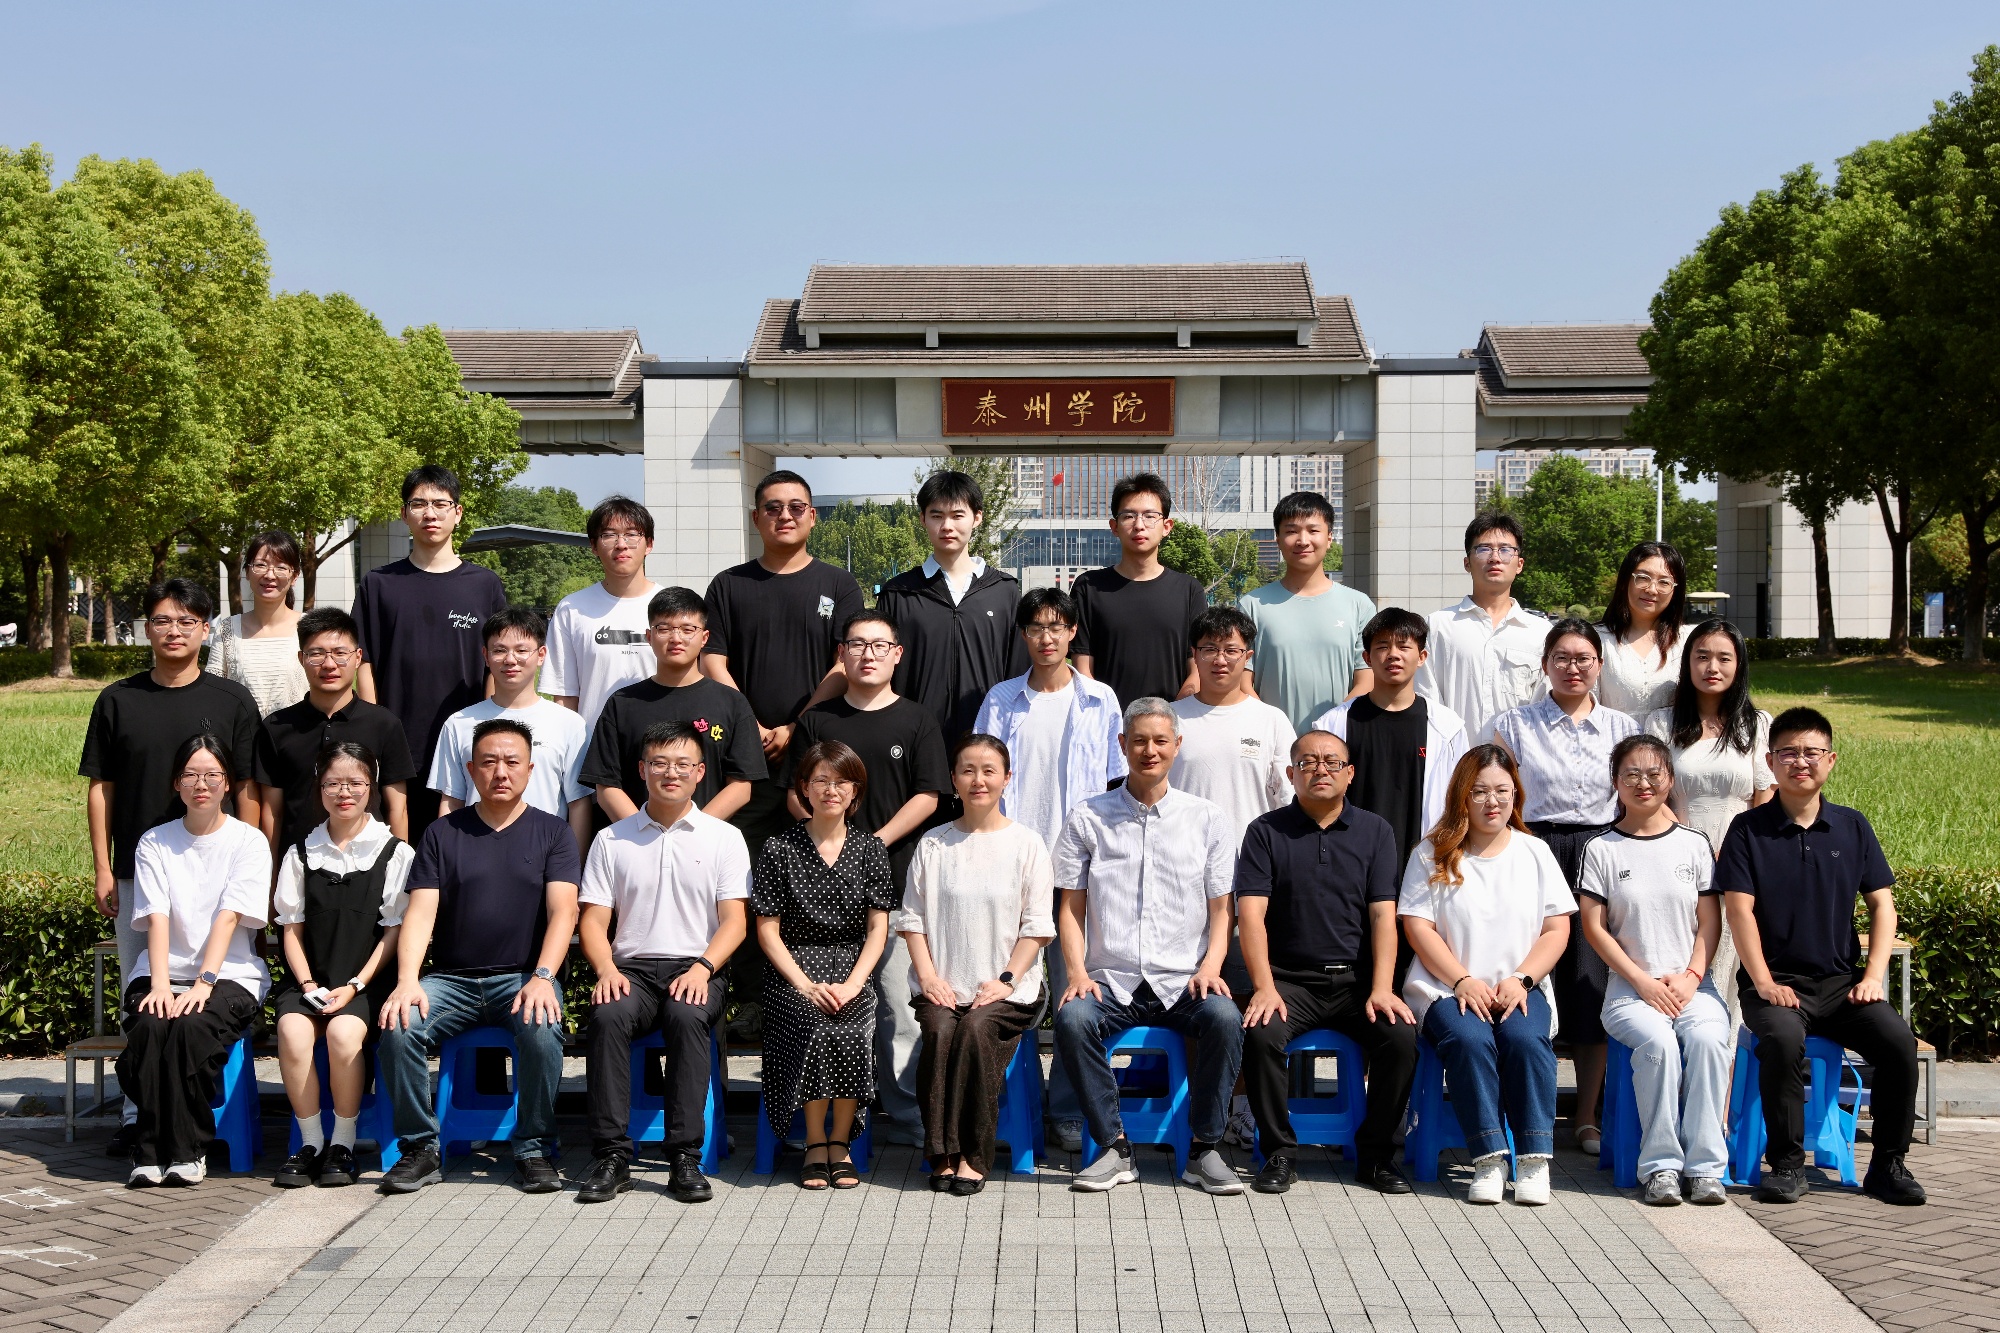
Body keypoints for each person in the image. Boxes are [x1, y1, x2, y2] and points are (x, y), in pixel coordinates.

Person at [81, 578, 262, 1159]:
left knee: (204, 995)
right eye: (162, 620)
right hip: (142, 870)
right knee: (144, 995)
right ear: (147, 629)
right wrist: (104, 869)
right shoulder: (118, 700)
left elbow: (249, 787)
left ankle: (182, 1115)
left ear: (206, 629)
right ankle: (138, 1116)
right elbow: (101, 787)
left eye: (187, 621)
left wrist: (253, 856)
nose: (174, 631)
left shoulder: (232, 700)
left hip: (217, 869)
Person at [1719, 707, 1926, 1206]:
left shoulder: (1852, 827)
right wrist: (1763, 982)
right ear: (1771, 761)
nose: (1801, 762)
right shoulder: (1747, 830)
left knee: (1899, 1043)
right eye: (1788, 752)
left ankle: (1888, 1165)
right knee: (1783, 1040)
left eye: (1812, 752)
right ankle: (1787, 1165)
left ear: (1830, 760)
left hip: (1840, 986)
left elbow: (1883, 906)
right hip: (1774, 984)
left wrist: (1872, 976)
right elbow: (1739, 911)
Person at [375, 720, 582, 1195]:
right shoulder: (441, 833)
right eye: (489, 762)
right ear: (470, 769)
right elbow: (420, 914)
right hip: (452, 980)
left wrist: (543, 976)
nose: (500, 772)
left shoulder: (553, 832)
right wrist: (407, 980)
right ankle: (420, 1149)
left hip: (523, 977)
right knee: (399, 1025)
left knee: (542, 1028)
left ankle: (533, 1148)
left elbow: (564, 912)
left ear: (531, 769)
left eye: (512, 762)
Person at [1052, 698, 1242, 1195]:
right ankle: (1114, 1147)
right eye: (1139, 740)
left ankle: (1204, 1148)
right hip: (1110, 979)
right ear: (1122, 745)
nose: (1149, 750)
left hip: (1183, 980)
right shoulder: (1088, 816)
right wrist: (1077, 973)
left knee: (1224, 1018)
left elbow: (1222, 909)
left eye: (1160, 740)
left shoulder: (1207, 818)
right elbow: (1069, 907)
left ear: (1177, 745)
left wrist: (1211, 966)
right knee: (1073, 1019)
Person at [786, 611, 949, 1147]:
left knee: (898, 1005)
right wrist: (829, 847)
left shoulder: (918, 720)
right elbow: (794, 794)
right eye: (857, 644)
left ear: (897, 654)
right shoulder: (817, 720)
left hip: (896, 881)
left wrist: (871, 844)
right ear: (842, 654)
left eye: (880, 645)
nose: (868, 654)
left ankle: (904, 1112)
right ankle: (818, 1119)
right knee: (821, 1003)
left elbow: (928, 794)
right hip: (820, 894)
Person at [971, 586, 1125, 1152]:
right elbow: (981, 771)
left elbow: (1115, 781)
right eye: (1036, 627)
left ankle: (1065, 1111)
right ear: (1023, 635)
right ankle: (1006, 1107)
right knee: (1003, 990)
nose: (1046, 638)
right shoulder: (1002, 699)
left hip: (1077, 868)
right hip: (1011, 863)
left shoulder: (1100, 699)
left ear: (1072, 632)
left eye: (1056, 627)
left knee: (1071, 993)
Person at [1236, 729, 1418, 1196]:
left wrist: (1382, 988)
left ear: (1350, 773)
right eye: (1309, 762)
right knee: (1260, 1033)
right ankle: (1279, 1153)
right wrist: (1264, 986)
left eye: (1333, 762)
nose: (1321, 769)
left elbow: (1383, 916)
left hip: (1357, 984)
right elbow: (1251, 915)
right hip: (1289, 983)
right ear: (1290, 773)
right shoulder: (1265, 831)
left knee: (1400, 1038)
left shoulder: (1375, 831)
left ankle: (1375, 1156)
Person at [576, 721, 750, 1205]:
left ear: (700, 772)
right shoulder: (612, 839)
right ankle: (612, 1155)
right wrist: (606, 970)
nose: (670, 773)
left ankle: (684, 1157)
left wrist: (703, 968)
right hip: (630, 970)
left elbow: (735, 922)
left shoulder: (724, 838)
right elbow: (593, 921)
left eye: (682, 764)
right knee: (608, 1015)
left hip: (697, 965)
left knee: (687, 1015)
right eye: (659, 763)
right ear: (641, 770)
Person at [1398, 746, 1574, 1206]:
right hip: (1446, 988)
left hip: (1520, 986)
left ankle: (1534, 1157)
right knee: (1469, 1039)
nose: (1491, 802)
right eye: (1479, 792)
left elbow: (1557, 929)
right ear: (1461, 795)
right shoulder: (1432, 853)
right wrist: (1461, 980)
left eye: (1502, 791)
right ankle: (1489, 1158)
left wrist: (1522, 979)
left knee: (1524, 1039)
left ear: (1516, 794)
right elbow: (1418, 927)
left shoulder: (1535, 852)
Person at [1491, 618, 1638, 1159]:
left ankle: (1586, 1116)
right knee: (1526, 970)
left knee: (1589, 978)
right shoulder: (1515, 723)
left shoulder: (1623, 727)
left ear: (1599, 665)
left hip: (1600, 850)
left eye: (1584, 658)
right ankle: (1518, 1108)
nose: (1573, 668)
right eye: (1562, 658)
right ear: (1545, 665)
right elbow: (1498, 791)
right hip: (1533, 847)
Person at [896, 734, 1055, 1195]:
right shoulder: (934, 844)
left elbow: (1037, 926)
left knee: (974, 1029)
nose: (978, 780)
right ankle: (941, 1152)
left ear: (1007, 778)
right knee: (941, 1029)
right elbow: (912, 920)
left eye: (989, 771)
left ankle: (971, 1155)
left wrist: (1006, 979)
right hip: (943, 984)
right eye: (968, 770)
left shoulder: (1027, 844)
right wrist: (928, 977)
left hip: (1010, 989)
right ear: (953, 779)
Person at [1576, 735, 1731, 1206]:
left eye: (1653, 774)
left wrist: (1691, 977)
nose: (1643, 783)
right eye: (1631, 775)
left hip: (1693, 987)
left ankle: (1705, 1168)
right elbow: (1594, 928)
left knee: (1708, 1041)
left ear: (1670, 779)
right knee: (1659, 1044)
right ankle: (1661, 1167)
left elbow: (1710, 922)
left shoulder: (1694, 844)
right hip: (1628, 992)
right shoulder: (1601, 848)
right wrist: (1642, 982)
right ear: (1615, 782)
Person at [117, 734, 272, 1187]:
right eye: (190, 775)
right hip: (162, 971)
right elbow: (157, 916)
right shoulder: (154, 842)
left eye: (211, 775)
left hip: (230, 975)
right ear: (176, 783)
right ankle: (148, 1151)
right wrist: (161, 985)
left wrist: (204, 982)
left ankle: (187, 1150)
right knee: (151, 1025)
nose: (200, 784)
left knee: (191, 1027)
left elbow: (229, 916)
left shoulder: (249, 841)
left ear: (227, 783)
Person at [753, 740, 895, 1190]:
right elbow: (767, 930)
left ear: (856, 791)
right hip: (793, 972)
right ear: (804, 788)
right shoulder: (779, 848)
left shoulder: (871, 849)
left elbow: (878, 928)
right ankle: (815, 1141)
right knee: (815, 1025)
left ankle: (840, 1140)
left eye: (842, 782)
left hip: (852, 970)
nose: (831, 790)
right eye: (821, 781)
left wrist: (854, 984)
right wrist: (805, 985)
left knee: (850, 1028)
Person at [269, 742, 412, 1189]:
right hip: (311, 981)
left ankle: (343, 1144)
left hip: (368, 983)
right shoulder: (301, 851)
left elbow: (393, 934)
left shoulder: (394, 852)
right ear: (320, 788)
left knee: (343, 1034)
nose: (343, 793)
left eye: (355, 783)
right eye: (333, 783)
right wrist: (308, 984)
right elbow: (290, 929)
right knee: (292, 1030)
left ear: (372, 787)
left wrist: (354, 985)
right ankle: (311, 1143)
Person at [702, 471, 865, 846]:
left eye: (796, 507)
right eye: (773, 508)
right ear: (756, 518)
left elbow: (843, 664)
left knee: (818, 857)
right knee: (739, 858)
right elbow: (712, 661)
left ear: (812, 516)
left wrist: (798, 727)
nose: (785, 516)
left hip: (817, 751)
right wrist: (751, 726)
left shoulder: (839, 584)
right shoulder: (728, 584)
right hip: (743, 753)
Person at [354, 465, 508, 845]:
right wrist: (374, 730)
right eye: (418, 504)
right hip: (398, 743)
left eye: (441, 504)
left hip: (465, 741)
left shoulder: (484, 585)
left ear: (458, 512)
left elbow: (496, 663)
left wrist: (488, 727)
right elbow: (364, 661)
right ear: (404, 513)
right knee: (399, 850)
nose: (430, 513)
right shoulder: (379, 584)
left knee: (464, 847)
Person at [1644, 618, 1775, 1018]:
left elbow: (1764, 794)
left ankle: (1729, 1053)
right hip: (1676, 852)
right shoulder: (1661, 723)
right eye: (1702, 657)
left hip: (1741, 856)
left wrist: (1738, 852)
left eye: (1723, 658)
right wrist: (1691, 847)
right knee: (1683, 952)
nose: (1712, 667)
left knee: (1735, 955)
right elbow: (1652, 793)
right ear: (1688, 663)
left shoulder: (1757, 724)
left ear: (1739, 665)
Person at [580, 587, 767, 824]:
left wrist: (693, 831)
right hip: (636, 839)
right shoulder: (622, 703)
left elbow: (741, 785)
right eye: (664, 628)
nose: (676, 638)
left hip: (706, 839)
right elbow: (606, 785)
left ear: (704, 638)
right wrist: (643, 831)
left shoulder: (732, 703)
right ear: (649, 636)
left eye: (688, 629)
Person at [1311, 607, 1471, 869]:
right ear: (1367, 657)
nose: (1393, 654)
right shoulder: (1333, 725)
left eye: (1404, 646)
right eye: (1383, 646)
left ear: (1422, 657)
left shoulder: (1448, 728)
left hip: (1423, 865)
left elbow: (1461, 800)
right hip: (1349, 864)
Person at [878, 470, 1026, 741]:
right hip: (914, 738)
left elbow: (1018, 671)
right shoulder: (899, 593)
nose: (947, 526)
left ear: (977, 518)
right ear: (922, 519)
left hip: (989, 737)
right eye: (937, 516)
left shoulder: (1004, 591)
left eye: (958, 515)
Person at [429, 607, 592, 851]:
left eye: (522, 650)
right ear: (485, 656)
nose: (510, 659)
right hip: (473, 854)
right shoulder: (458, 723)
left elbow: (578, 804)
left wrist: (572, 867)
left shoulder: (569, 724)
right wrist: (447, 858)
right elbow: (451, 801)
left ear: (541, 655)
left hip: (544, 856)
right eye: (499, 650)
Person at [256, 607, 416, 858]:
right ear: (301, 658)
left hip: (368, 865)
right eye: (316, 654)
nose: (329, 664)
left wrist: (399, 868)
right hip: (299, 866)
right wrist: (272, 873)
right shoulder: (277, 727)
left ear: (357, 657)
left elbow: (398, 809)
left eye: (340, 653)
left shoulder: (384, 724)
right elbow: (272, 812)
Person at [1238, 491, 1376, 732]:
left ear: (1329, 537)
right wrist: (1274, 729)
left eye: (1313, 530)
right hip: (1271, 740)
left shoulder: (1359, 605)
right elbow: (1241, 680)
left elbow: (1366, 679)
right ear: (1278, 538)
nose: (1303, 540)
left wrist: (1331, 729)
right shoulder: (1252, 605)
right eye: (1291, 531)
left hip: (1338, 740)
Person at [1071, 472, 1210, 708]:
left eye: (1150, 516)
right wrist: (1105, 715)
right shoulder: (1089, 587)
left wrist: (1172, 714)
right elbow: (1083, 669)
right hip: (1108, 722)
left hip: (1172, 721)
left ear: (1167, 526)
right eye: (1128, 516)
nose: (1139, 525)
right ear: (1114, 526)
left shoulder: (1188, 590)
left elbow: (1197, 668)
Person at [1169, 606, 1296, 847]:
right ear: (1194, 654)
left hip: (1252, 856)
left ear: (1247, 657)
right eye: (1209, 650)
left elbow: (1289, 797)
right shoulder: (1169, 718)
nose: (1220, 660)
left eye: (1231, 650)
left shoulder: (1272, 720)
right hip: (1181, 852)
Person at [1416, 512, 1548, 742]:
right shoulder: (1438, 626)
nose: (1495, 558)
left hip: (1519, 759)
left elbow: (1545, 702)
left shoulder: (1541, 633)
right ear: (1467, 563)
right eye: (1484, 549)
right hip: (1455, 757)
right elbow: (1426, 698)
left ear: (1519, 564)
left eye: (1505, 550)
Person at [544, 496, 660, 733]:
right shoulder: (572, 609)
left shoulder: (672, 607)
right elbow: (565, 695)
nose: (621, 544)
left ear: (649, 544)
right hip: (593, 746)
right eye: (609, 535)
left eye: (631, 534)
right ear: (594, 546)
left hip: (662, 748)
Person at [203, 530, 308, 716]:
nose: (270, 575)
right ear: (247, 572)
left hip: (299, 733)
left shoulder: (310, 627)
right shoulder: (228, 629)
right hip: (240, 733)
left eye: (281, 567)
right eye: (260, 565)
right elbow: (212, 693)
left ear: (295, 576)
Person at [1595, 541, 1689, 718]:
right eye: (1643, 578)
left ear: (1675, 590)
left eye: (1664, 582)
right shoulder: (1597, 640)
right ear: (1625, 581)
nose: (1652, 589)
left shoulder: (1688, 642)